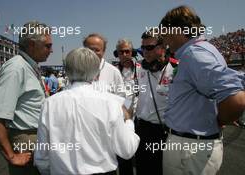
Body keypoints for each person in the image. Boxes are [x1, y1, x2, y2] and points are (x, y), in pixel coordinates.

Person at [159, 6, 245, 175]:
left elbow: (237, 99)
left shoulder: (194, 54)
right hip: (191, 145)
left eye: (166, 34)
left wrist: (221, 120)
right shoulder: (200, 50)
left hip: (190, 148)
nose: (165, 40)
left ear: (179, 31)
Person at [34, 47, 140, 175]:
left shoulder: (49, 104)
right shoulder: (111, 103)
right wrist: (128, 121)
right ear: (97, 72)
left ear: (67, 71)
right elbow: (127, 149)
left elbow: (42, 157)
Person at [0, 21, 53, 175]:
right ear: (31, 44)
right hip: (27, 141)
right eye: (47, 46)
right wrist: (11, 156)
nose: (51, 50)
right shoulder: (16, 68)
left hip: (35, 138)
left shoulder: (29, 67)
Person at [135, 29, 174, 175]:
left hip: (164, 131)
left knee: (160, 170)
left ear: (163, 47)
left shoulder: (176, 69)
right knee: (142, 169)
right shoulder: (139, 69)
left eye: (150, 47)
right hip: (141, 129)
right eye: (143, 48)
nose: (145, 51)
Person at [114, 38, 140, 175]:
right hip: (122, 119)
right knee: (124, 156)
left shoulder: (142, 68)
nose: (124, 54)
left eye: (127, 51)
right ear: (117, 53)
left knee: (142, 157)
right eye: (121, 52)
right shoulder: (113, 71)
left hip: (141, 118)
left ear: (132, 52)